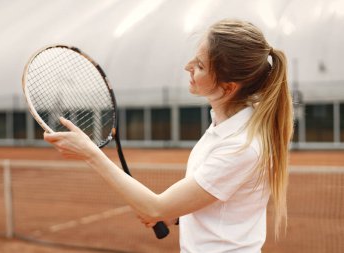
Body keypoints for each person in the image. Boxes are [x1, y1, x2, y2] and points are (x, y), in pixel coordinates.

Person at [44, 19, 294, 253]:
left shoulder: (242, 146)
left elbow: (155, 207)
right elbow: (215, 199)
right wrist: (175, 214)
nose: (187, 67)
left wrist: (90, 153)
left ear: (228, 88)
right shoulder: (223, 126)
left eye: (200, 65)